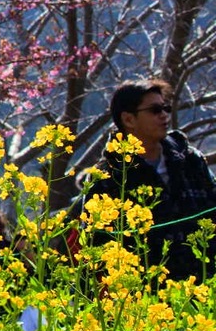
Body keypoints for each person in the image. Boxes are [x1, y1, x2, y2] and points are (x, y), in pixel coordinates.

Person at [82, 78, 216, 282]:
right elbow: (94, 243)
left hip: (205, 284)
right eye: (155, 110)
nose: (164, 115)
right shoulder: (107, 177)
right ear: (129, 120)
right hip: (143, 292)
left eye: (165, 108)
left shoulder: (190, 160)